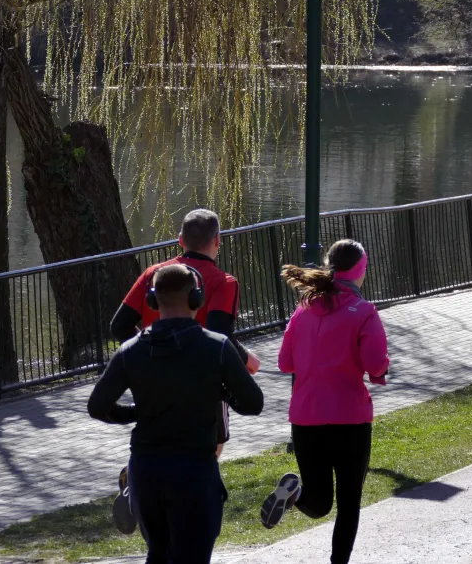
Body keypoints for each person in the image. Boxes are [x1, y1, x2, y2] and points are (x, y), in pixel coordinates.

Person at [88, 264, 264, 564]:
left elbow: (97, 406)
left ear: (153, 301)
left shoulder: (131, 350)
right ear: (196, 299)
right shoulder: (217, 347)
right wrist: (221, 392)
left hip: (146, 470)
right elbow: (253, 403)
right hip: (194, 471)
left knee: (158, 554)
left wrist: (136, 412)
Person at [107, 208, 260, 534]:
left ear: (180, 240)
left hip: (153, 379)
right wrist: (247, 360)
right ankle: (180, 508)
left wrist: (147, 352)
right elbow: (220, 337)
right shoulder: (223, 282)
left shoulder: (155, 274)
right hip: (202, 381)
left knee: (156, 436)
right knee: (210, 446)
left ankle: (139, 483)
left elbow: (119, 325)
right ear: (217, 241)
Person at [258, 239, 389, 564]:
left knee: (318, 502)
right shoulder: (364, 311)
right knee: (347, 503)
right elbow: (375, 363)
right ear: (361, 270)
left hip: (305, 419)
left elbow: (285, 362)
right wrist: (382, 368)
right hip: (350, 419)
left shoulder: (303, 309)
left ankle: (293, 493)